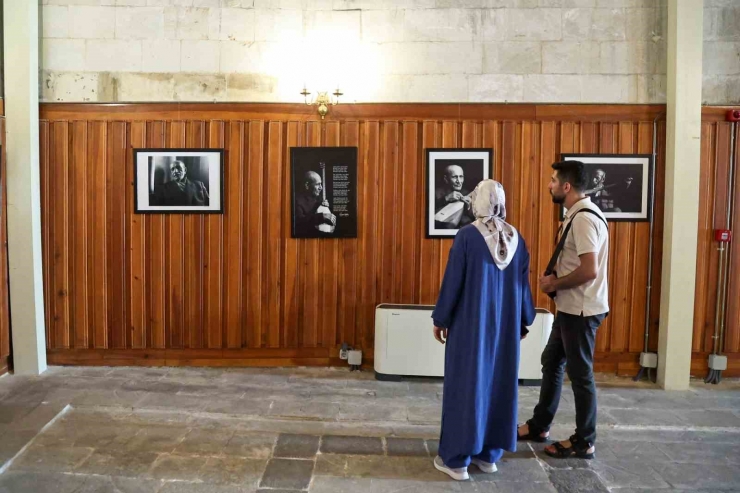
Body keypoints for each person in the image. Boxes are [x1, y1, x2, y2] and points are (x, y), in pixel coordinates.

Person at [431, 180, 536, 481]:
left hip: (470, 326)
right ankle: (488, 455)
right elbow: (521, 286)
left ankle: (456, 459)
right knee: (498, 385)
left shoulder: (467, 236)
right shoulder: (517, 239)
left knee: (466, 386)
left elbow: (454, 281)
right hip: (504, 328)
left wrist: (441, 318)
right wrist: (523, 320)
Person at [517, 160, 609, 460]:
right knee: (552, 361)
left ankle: (585, 441)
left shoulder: (583, 219)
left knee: (580, 375)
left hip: (581, 309)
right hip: (571, 307)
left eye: (553, 180)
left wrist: (555, 283)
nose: (550, 185)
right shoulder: (578, 214)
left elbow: (589, 269)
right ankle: (540, 425)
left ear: (566, 186)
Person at [294, 170, 335, 236]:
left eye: (321, 184)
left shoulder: (319, 198)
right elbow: (300, 223)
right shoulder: (297, 201)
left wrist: (326, 208)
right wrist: (322, 217)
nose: (321, 188)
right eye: (318, 184)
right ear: (307, 185)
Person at [434, 164, 474, 229]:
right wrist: (446, 199)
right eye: (455, 177)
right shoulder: (436, 193)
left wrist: (471, 207)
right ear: (446, 179)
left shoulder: (467, 193)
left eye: (461, 177)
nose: (459, 181)